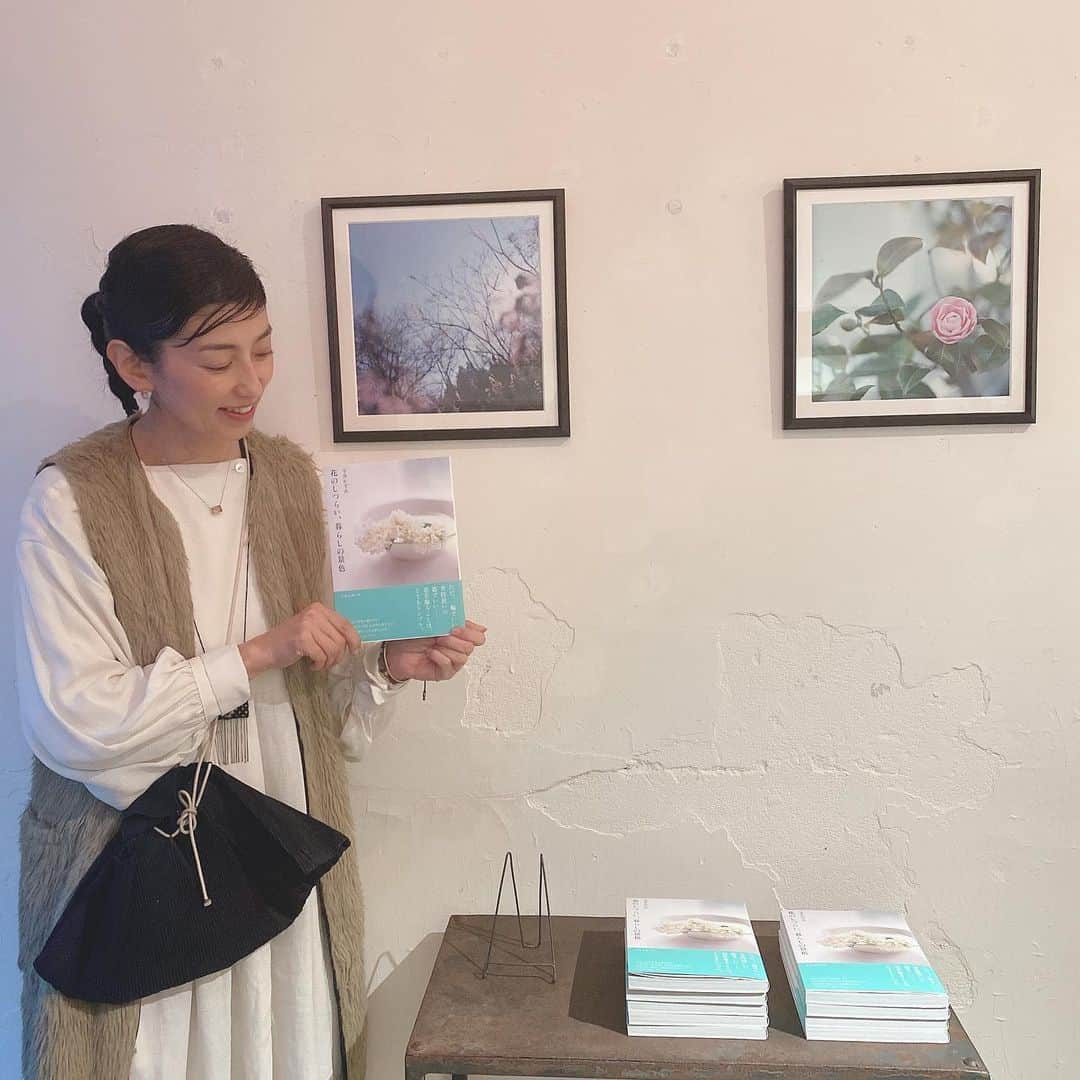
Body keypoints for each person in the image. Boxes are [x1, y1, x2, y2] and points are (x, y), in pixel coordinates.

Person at [13, 223, 487, 1080]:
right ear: (134, 364)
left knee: (284, 1050)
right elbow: (74, 723)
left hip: (276, 858)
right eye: (219, 358)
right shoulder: (73, 498)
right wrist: (256, 653)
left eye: (263, 349)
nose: (252, 381)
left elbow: (321, 714)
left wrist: (385, 668)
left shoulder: (295, 483)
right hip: (140, 870)